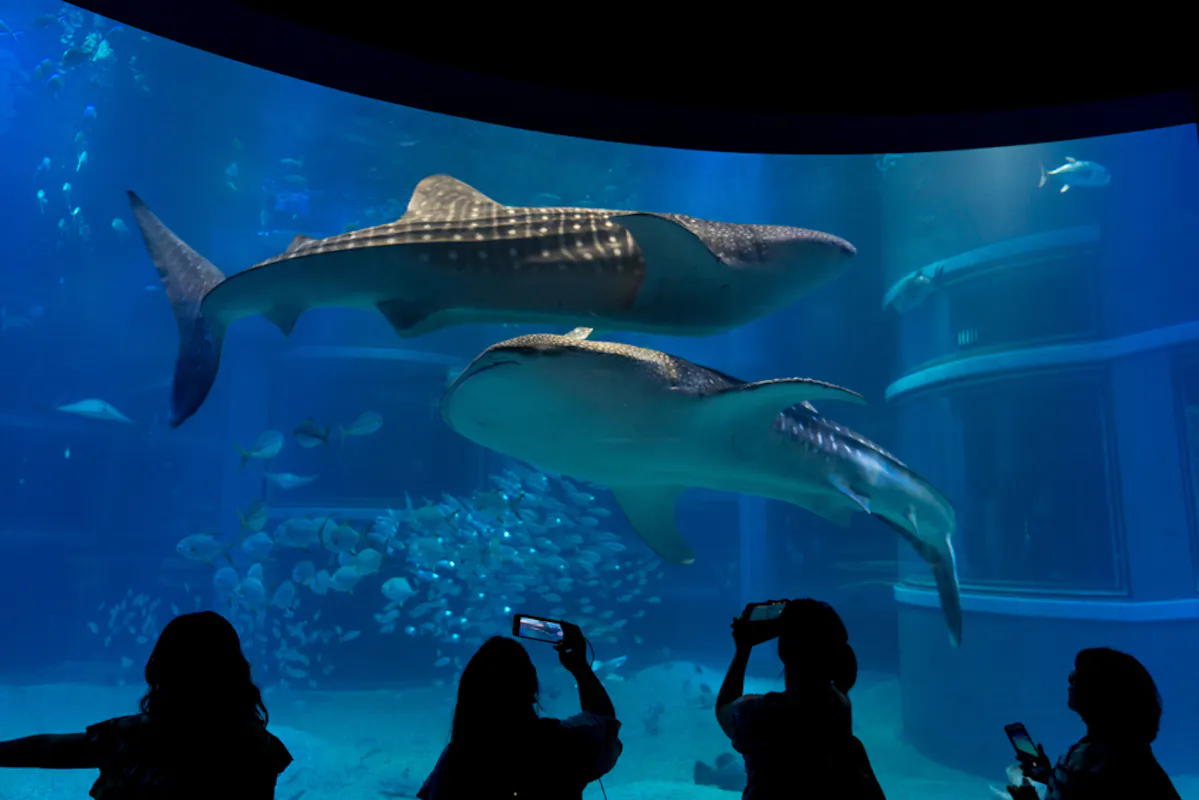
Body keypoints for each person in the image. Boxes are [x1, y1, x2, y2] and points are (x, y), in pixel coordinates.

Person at [0, 610, 293, 799]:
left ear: (161, 670)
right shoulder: (262, 747)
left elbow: (50, 750)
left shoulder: (135, 737)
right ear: (235, 672)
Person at [418, 624, 622, 799]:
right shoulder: (560, 745)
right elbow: (605, 720)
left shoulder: (455, 762)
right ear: (532, 688)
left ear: (468, 693)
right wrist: (580, 667)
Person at [715, 598, 885, 799]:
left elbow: (723, 709)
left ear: (783, 649)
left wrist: (744, 648)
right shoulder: (839, 705)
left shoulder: (759, 712)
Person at [1007, 647, 1179, 800]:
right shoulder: (1123, 753)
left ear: (1104, 693)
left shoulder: (1103, 765)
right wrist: (1049, 776)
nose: (1070, 679)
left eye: (1079, 676)